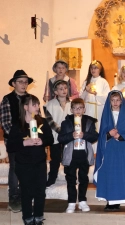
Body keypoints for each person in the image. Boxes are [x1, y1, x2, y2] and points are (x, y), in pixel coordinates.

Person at [7, 94, 53, 225]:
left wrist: (42, 141)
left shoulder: (42, 122)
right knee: (26, 192)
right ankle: (27, 219)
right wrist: (24, 144)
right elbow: (10, 146)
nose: (38, 107)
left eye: (38, 104)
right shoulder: (18, 125)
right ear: (26, 107)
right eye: (34, 104)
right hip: (24, 164)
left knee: (40, 191)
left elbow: (50, 139)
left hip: (39, 163)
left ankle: (38, 217)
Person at [94, 91, 125, 211]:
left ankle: (118, 200)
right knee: (109, 173)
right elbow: (101, 135)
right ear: (109, 101)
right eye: (112, 100)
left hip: (122, 149)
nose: (115, 103)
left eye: (117, 100)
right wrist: (109, 134)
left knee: (120, 173)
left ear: (121, 101)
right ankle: (109, 200)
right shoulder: (106, 115)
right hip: (109, 149)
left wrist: (119, 136)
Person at [0, 70, 34, 212]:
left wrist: (33, 136)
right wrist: (19, 138)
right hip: (13, 140)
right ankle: (13, 197)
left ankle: (25, 195)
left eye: (26, 82)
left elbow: (35, 119)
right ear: (13, 84)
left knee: (28, 167)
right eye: (20, 81)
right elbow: (5, 122)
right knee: (15, 167)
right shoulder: (7, 99)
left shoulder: (31, 98)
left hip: (29, 139)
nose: (24, 84)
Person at [58, 98, 98, 213]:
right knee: (70, 179)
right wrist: (71, 135)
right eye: (75, 108)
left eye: (80, 108)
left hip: (84, 154)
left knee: (83, 178)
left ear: (84, 109)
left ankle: (82, 200)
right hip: (71, 155)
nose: (77, 110)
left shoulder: (89, 122)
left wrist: (84, 135)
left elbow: (95, 136)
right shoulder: (66, 123)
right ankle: (71, 202)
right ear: (71, 110)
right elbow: (61, 138)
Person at [43, 80, 72, 187]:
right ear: (55, 91)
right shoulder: (49, 105)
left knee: (68, 158)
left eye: (65, 88)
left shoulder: (72, 103)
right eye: (60, 88)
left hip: (69, 136)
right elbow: (50, 121)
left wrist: (68, 132)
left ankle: (70, 177)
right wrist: (61, 131)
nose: (64, 90)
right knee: (55, 159)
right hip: (55, 136)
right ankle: (52, 178)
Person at [80, 60, 110, 132]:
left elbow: (107, 97)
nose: (93, 70)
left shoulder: (103, 82)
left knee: (98, 128)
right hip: (87, 108)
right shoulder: (86, 81)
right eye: (91, 68)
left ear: (100, 70)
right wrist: (86, 91)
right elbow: (80, 98)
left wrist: (96, 93)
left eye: (95, 68)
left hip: (98, 108)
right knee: (87, 128)